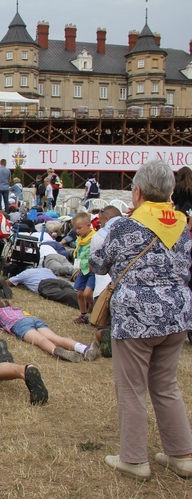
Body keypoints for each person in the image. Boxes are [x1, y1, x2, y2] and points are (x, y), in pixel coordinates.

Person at [90, 159, 192, 480]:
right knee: (166, 386)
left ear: (137, 193)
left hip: (135, 318)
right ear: (169, 193)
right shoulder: (183, 226)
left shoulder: (122, 227)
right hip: (176, 317)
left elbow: (97, 264)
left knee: (132, 388)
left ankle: (134, 460)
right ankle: (182, 455)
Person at [0, 300, 98, 362]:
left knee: (40, 339)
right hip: (32, 319)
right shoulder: (17, 309)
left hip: (19, 324)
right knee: (55, 338)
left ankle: (55, 350)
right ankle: (83, 348)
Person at [6, 267, 79, 309]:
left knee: (65, 295)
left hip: (45, 284)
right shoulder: (45, 269)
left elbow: (8, 283)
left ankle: (86, 306)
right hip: (60, 282)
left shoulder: (25, 273)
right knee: (71, 292)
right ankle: (86, 301)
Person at [71, 212, 95, 324]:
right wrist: (77, 269)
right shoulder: (79, 240)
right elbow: (78, 254)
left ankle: (94, 310)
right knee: (79, 293)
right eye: (76, 229)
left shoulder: (94, 238)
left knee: (87, 294)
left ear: (88, 225)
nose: (77, 231)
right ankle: (83, 315)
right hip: (82, 269)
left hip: (92, 270)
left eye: (79, 228)